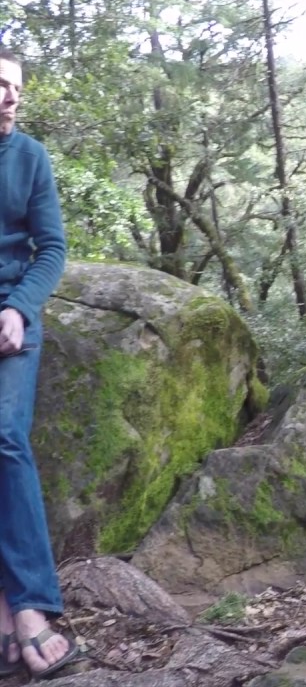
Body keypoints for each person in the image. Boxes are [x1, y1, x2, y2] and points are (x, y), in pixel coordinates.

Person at [0, 48, 76, 680]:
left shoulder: (30, 157)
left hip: (10, 317)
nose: (9, 97)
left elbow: (51, 247)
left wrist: (20, 307)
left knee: (3, 435)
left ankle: (28, 604)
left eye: (15, 88)